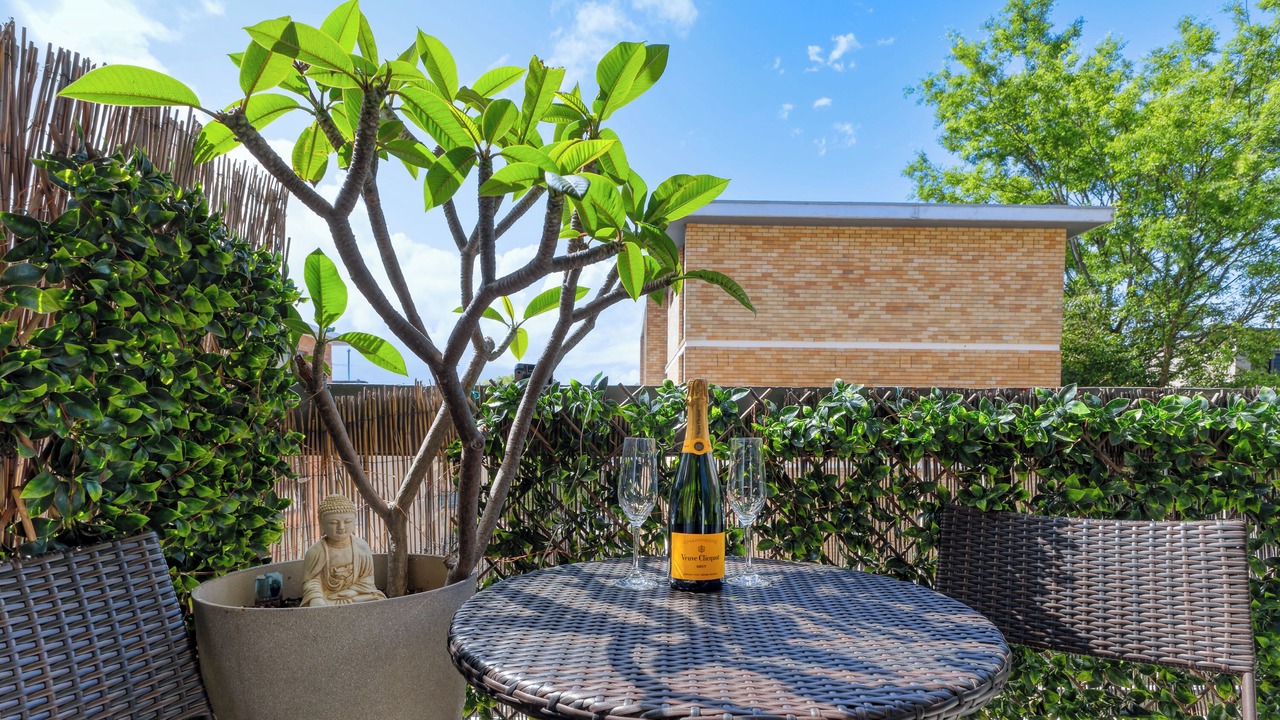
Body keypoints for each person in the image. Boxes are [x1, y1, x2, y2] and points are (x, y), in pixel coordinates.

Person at [300, 495, 386, 607]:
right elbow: (311, 581)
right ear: (322, 524)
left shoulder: (362, 547)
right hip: (329, 598)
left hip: (354, 595)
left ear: (354, 521)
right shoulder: (316, 551)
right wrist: (317, 597)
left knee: (377, 598)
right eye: (333, 522)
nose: (341, 527)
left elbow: (367, 579)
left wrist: (352, 591)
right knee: (317, 605)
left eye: (347, 521)